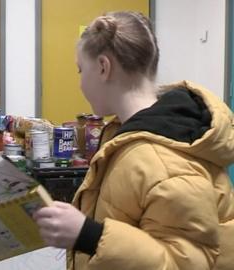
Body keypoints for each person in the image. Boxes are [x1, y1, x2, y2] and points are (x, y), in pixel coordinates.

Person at [33, 11, 234, 270]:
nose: (80, 83)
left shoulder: (163, 160)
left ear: (104, 67)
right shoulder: (128, 133)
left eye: (81, 70)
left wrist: (89, 235)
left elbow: (186, 263)